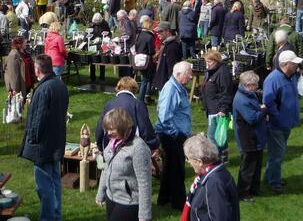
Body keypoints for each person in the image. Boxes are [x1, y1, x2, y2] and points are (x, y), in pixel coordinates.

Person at [20, 55, 69, 221]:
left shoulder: (43, 89)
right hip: (56, 140)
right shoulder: (60, 84)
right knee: (55, 181)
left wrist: (32, 140)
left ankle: (48, 218)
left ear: (37, 70)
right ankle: (56, 216)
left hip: (43, 145)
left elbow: (38, 119)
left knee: (44, 186)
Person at [95, 108, 152, 221]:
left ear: (122, 127)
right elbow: (107, 168)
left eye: (112, 129)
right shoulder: (113, 143)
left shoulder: (138, 148)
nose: (108, 133)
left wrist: (144, 215)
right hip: (111, 198)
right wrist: (101, 193)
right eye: (107, 129)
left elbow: (145, 183)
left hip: (128, 203)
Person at [263, 50, 303, 194]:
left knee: (277, 152)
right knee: (277, 154)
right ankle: (274, 183)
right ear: (286, 64)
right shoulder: (273, 79)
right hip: (276, 125)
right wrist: (278, 117)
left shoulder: (290, 76)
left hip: (287, 123)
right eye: (294, 63)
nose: (297, 65)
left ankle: (270, 177)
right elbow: (268, 101)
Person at [155, 61, 194, 211]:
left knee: (170, 168)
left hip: (174, 134)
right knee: (177, 171)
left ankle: (164, 198)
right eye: (188, 74)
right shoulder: (171, 89)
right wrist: (177, 135)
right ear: (178, 74)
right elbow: (164, 117)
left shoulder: (179, 87)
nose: (191, 77)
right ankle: (179, 203)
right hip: (171, 136)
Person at [183, 134, 240, 221]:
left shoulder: (214, 184)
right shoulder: (213, 172)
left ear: (199, 162)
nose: (188, 162)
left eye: (188, 158)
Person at [95, 76, 159, 152]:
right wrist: (153, 145)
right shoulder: (138, 104)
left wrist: (100, 146)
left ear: (118, 88)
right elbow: (145, 128)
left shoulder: (109, 104)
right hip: (130, 149)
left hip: (110, 149)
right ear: (134, 89)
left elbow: (100, 128)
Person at [232, 71, 267, 203]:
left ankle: (254, 188)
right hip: (247, 137)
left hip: (254, 137)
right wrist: (263, 110)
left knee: (257, 164)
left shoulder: (248, 94)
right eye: (255, 84)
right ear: (248, 85)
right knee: (248, 166)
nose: (257, 86)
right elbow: (252, 118)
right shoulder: (241, 99)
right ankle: (242, 192)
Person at [201, 50, 234, 159]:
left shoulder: (222, 73)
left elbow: (226, 92)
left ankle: (215, 160)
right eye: (206, 61)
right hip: (211, 108)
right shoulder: (211, 71)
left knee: (212, 136)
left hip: (218, 110)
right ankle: (224, 158)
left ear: (216, 60)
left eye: (209, 61)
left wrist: (223, 109)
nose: (207, 64)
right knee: (220, 136)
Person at [153, 21, 182, 91]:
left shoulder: (172, 46)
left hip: (167, 83)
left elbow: (172, 67)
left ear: (168, 31)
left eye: (160, 31)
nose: (158, 34)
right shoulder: (165, 44)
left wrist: (171, 83)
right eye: (157, 32)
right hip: (163, 80)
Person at [135, 18, 157, 102]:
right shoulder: (150, 37)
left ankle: (146, 97)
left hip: (140, 59)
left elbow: (136, 47)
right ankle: (141, 99)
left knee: (146, 79)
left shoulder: (139, 35)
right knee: (145, 80)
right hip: (147, 60)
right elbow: (151, 51)